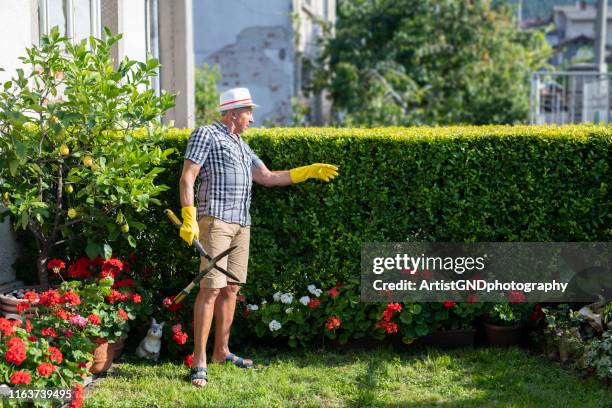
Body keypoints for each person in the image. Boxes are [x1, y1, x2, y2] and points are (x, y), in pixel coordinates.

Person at [179, 87, 339, 387]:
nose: (251, 119)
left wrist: (307, 171)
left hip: (242, 225)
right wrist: (189, 216)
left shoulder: (241, 144)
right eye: (248, 112)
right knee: (210, 289)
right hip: (215, 221)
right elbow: (187, 176)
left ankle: (221, 352)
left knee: (232, 289)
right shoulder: (207, 135)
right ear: (233, 113)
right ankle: (199, 360)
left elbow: (267, 177)